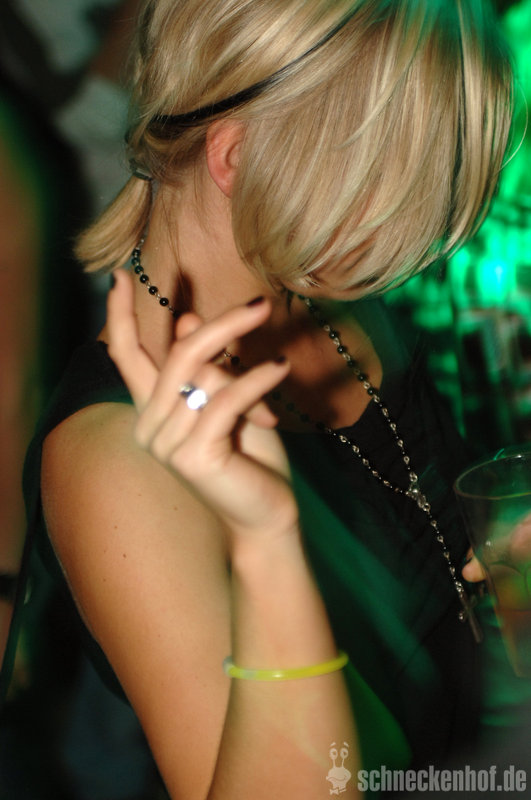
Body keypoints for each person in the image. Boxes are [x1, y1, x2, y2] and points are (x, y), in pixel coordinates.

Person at [22, 1, 515, 797]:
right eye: (395, 184)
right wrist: (267, 544)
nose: (422, 234)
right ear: (238, 155)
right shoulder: (114, 460)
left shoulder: (337, 303)